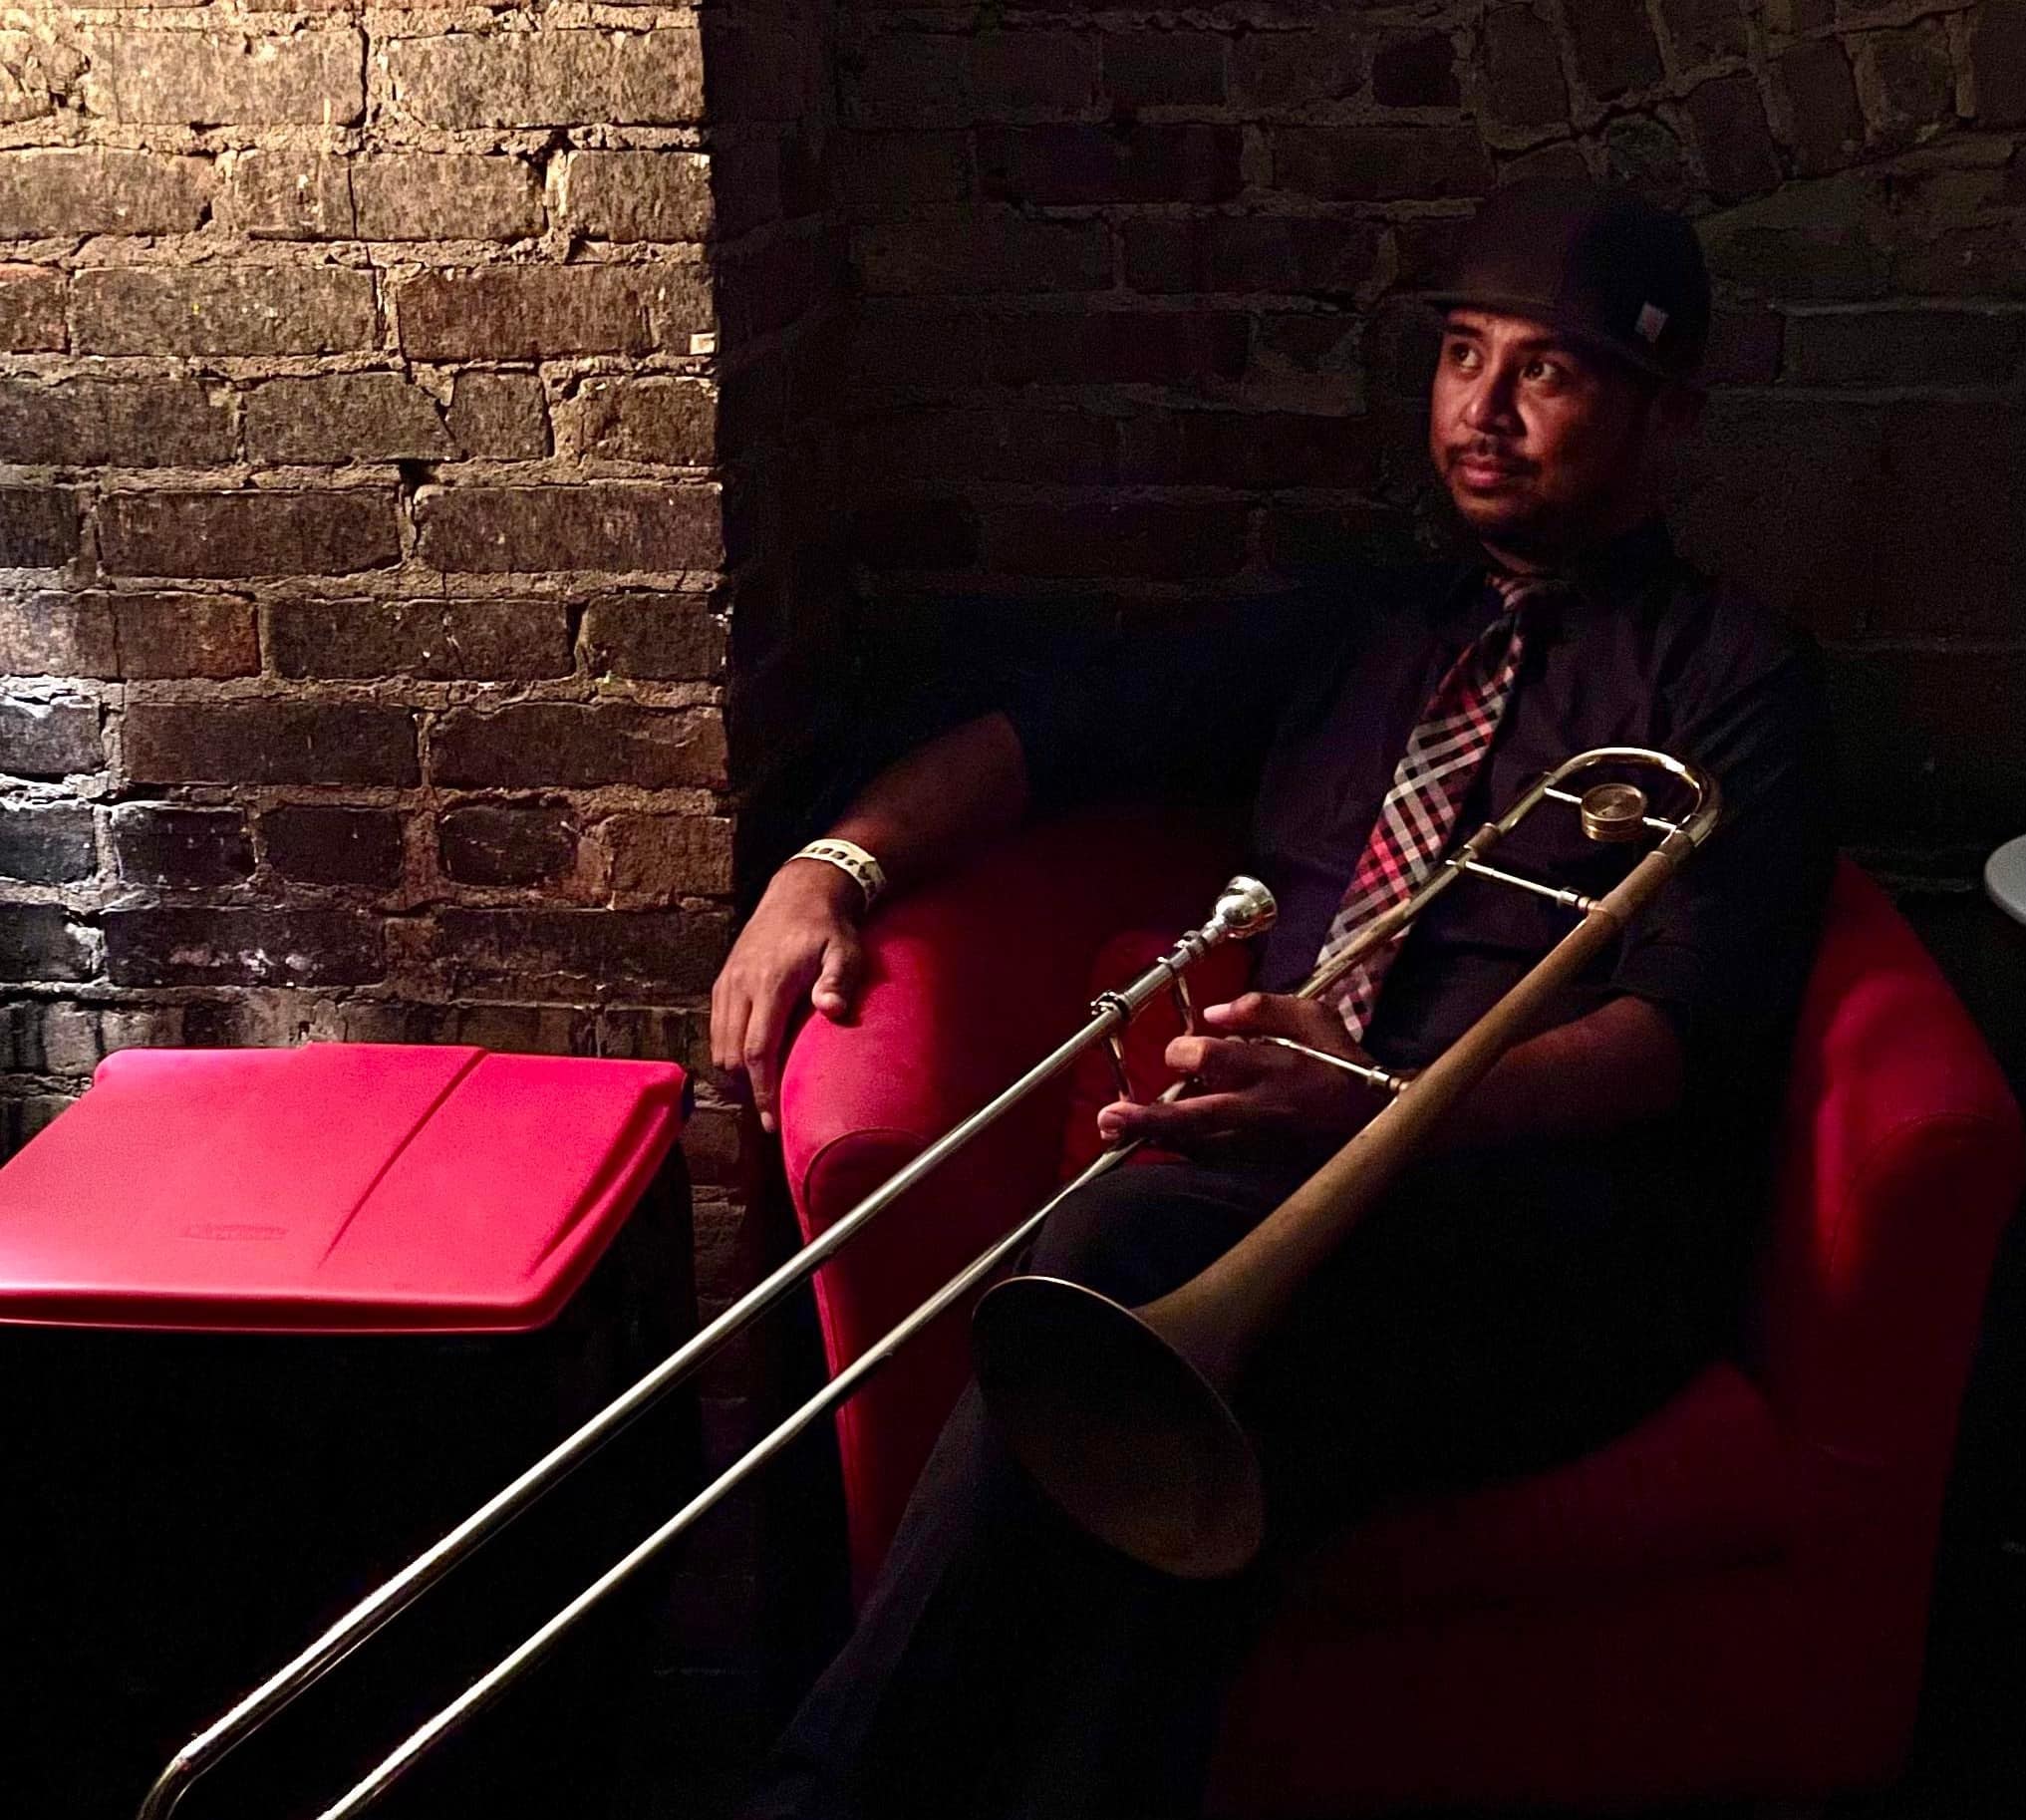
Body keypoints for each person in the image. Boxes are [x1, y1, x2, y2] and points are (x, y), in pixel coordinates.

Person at [712, 179, 1837, 1819]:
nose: (1483, 410)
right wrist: (834, 866)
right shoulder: (1361, 629)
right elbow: (1058, 735)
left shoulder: (1731, 676)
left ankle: (815, 1793)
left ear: (1667, 416)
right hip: (1277, 1209)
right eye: (1461, 354)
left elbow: (1684, 1033)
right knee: (1193, 1469)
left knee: (1113, 1262)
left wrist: (1375, 1104)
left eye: (1547, 371)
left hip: (1543, 1237)